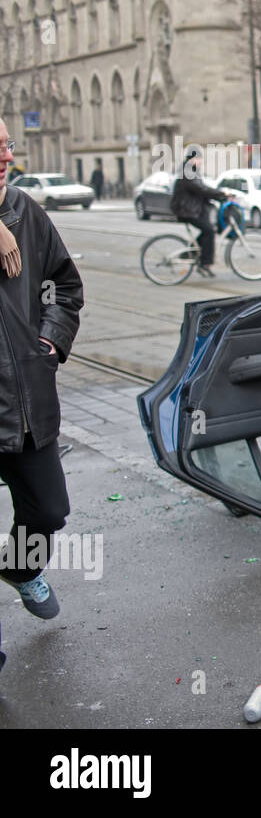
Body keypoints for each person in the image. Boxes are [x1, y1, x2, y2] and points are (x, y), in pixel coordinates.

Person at [0, 116, 85, 651]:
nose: (4, 157)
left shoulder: (26, 211)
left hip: (26, 401)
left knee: (48, 510)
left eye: (5, 145)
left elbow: (64, 285)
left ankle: (17, 566)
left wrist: (49, 343)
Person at [169, 150, 227, 278]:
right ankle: (204, 264)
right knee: (209, 231)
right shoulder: (187, 173)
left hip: (192, 209)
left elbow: (201, 187)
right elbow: (201, 189)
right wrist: (221, 194)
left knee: (207, 230)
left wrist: (218, 195)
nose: (200, 162)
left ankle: (193, 252)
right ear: (191, 159)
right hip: (186, 210)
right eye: (198, 159)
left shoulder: (190, 171)